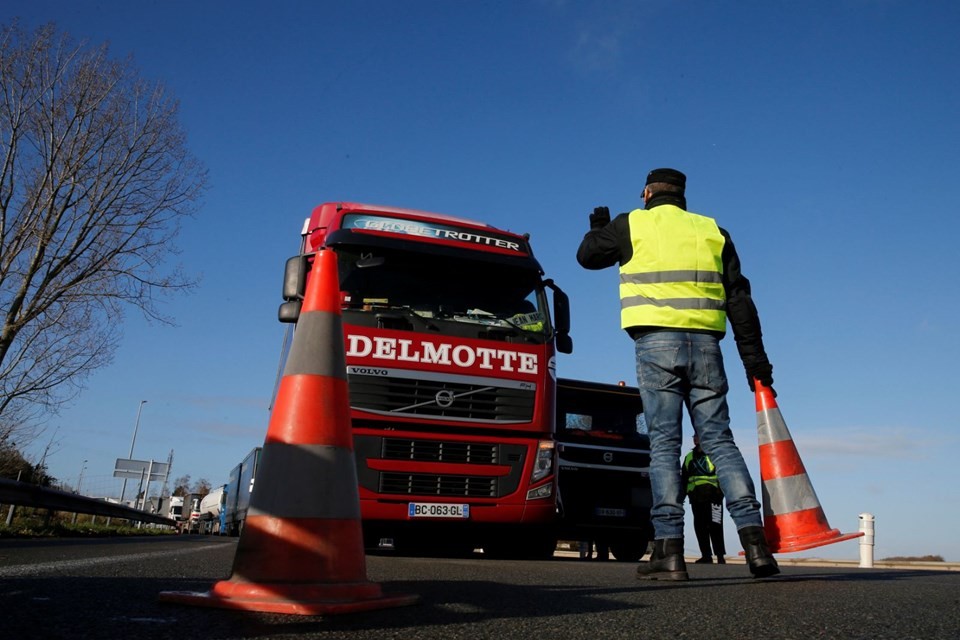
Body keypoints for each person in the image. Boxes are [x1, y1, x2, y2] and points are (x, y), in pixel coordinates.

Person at [576, 167, 779, 580]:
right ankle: (757, 546)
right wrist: (755, 363)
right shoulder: (711, 231)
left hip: (656, 345)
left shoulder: (632, 222)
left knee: (664, 447)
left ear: (647, 192)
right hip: (707, 346)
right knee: (720, 442)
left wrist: (598, 226)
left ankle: (668, 552)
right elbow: (740, 300)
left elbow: (588, 257)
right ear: (682, 196)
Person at [683, 435, 726, 564]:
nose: (695, 439)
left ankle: (719, 556)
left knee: (716, 525)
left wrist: (721, 492)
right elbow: (684, 478)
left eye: (697, 436)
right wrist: (683, 495)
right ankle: (706, 555)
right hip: (697, 497)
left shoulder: (714, 455)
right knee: (700, 527)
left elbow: (723, 474)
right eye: (694, 436)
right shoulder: (689, 457)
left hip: (714, 496)